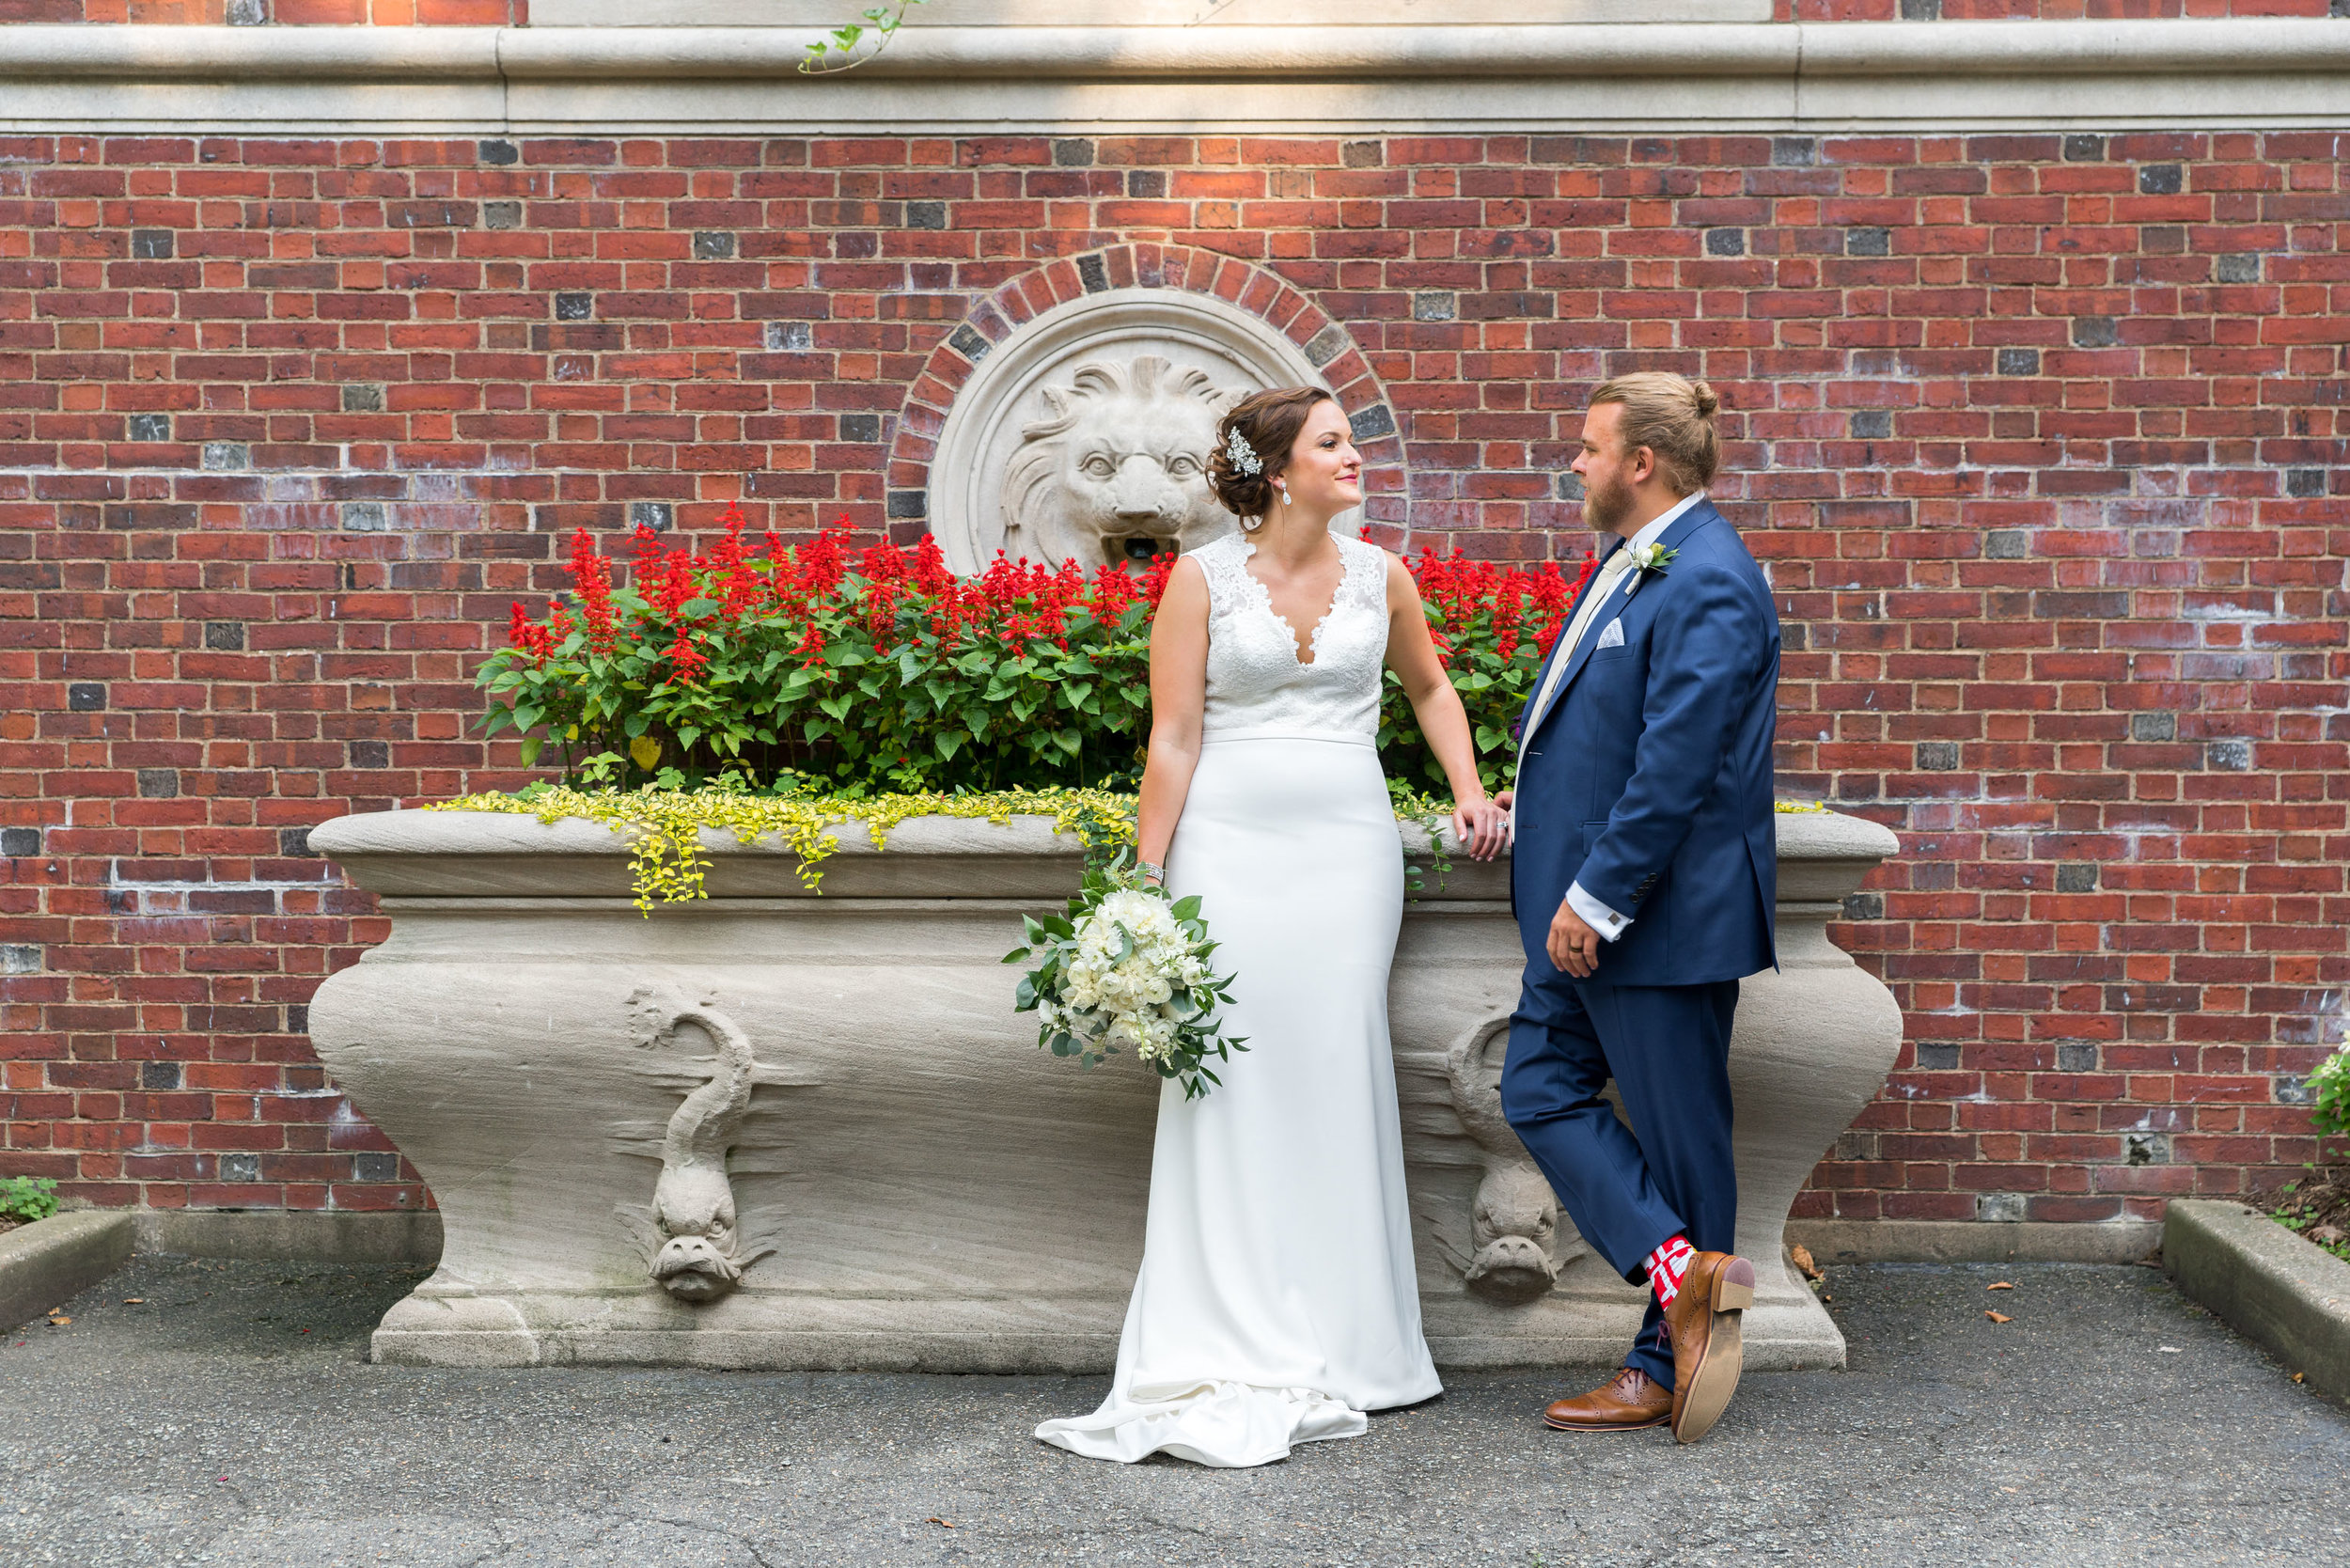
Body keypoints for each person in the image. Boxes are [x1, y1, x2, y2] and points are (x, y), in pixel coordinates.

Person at [1034, 386, 1511, 1468]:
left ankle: (1355, 1343)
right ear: (1281, 465)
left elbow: (1430, 687)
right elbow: (1174, 735)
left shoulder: (1381, 573)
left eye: (1348, 440)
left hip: (1347, 856)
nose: (1354, 457)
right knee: (1233, 1078)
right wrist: (1146, 879)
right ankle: (1226, 1324)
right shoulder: (1199, 580)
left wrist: (1470, 791)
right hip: (1230, 855)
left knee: (1335, 1067)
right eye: (1333, 443)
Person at [1494, 372, 1779, 1446]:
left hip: (1647, 916)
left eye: (1587, 447)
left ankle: (1665, 1361)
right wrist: (1533, 804)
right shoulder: (1633, 564)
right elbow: (1608, 730)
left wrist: (1600, 894)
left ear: (1640, 462)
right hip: (1578, 903)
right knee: (1535, 1087)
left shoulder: (1706, 574)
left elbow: (1678, 762)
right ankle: (1685, 1280)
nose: (1574, 463)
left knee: (1679, 1141)